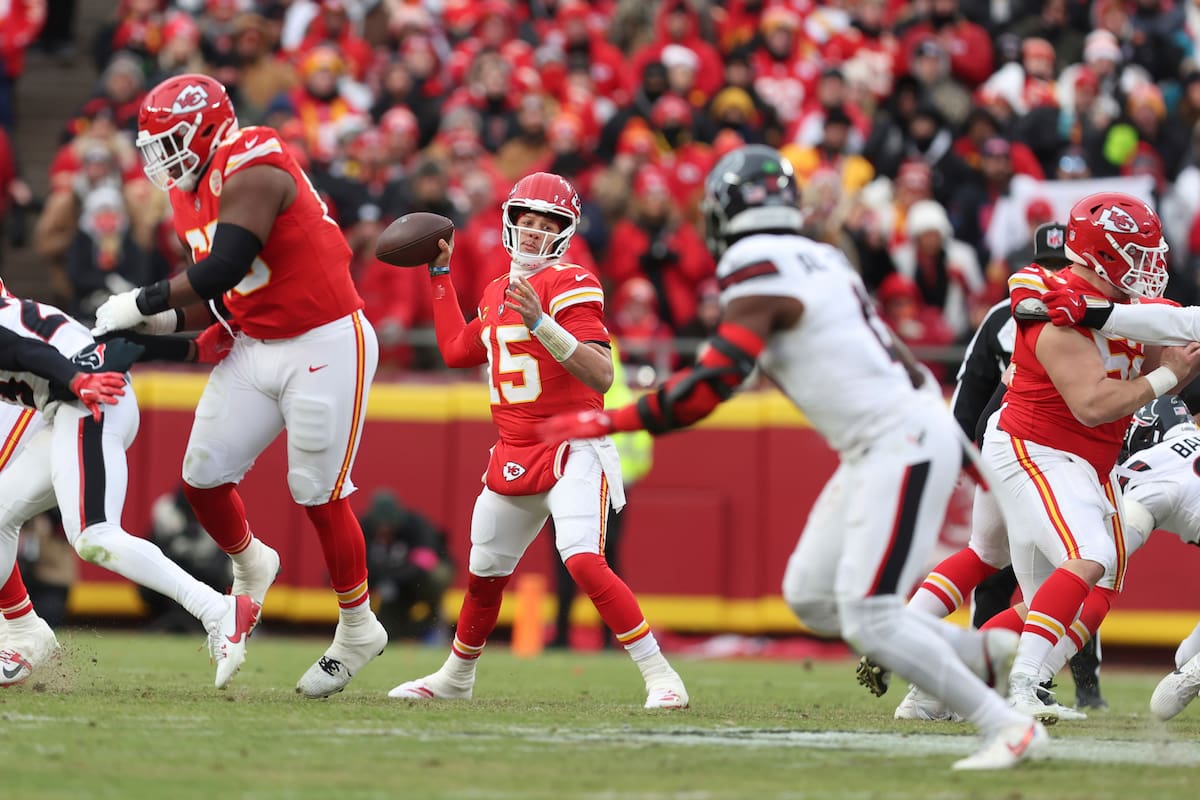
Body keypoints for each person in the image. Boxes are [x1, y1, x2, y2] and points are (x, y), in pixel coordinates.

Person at [541, 146, 1045, 770]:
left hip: (899, 442)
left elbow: (712, 382)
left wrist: (609, 418)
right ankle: (983, 656)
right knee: (809, 596)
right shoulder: (821, 256)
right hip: (888, 440)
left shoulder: (758, 264)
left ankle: (1006, 726)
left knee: (871, 618)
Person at [91, 73, 386, 699]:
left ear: (206, 127)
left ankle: (358, 626)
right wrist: (151, 324)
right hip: (257, 341)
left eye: (170, 140)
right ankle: (253, 561)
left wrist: (138, 300)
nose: (160, 156)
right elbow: (220, 299)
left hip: (325, 338)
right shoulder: (186, 194)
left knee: (316, 493)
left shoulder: (251, 156)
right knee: (202, 476)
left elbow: (223, 265)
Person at [388, 172, 688, 709]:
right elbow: (458, 351)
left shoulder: (574, 282)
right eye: (524, 220)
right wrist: (438, 274)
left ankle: (662, 676)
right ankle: (457, 678)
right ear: (509, 222)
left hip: (573, 445)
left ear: (564, 231)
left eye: (545, 223)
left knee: (582, 560)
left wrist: (542, 323)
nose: (531, 232)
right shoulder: (494, 290)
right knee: (484, 573)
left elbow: (601, 374)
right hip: (513, 448)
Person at [860, 222, 1104, 716]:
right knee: (1078, 572)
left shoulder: (1029, 306)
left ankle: (909, 648)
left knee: (984, 555)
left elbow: (980, 382)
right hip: (1038, 448)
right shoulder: (1079, 313)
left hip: (1002, 435)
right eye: (1053, 268)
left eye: (1065, 266)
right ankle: (1000, 682)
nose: (1060, 276)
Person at [979, 192, 1200, 722]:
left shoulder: (1093, 304)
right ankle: (1024, 686)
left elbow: (1163, 322)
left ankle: (936, 685)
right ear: (1105, 255)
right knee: (1092, 551)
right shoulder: (1051, 309)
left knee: (1047, 602)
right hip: (1036, 448)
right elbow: (1093, 405)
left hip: (1080, 461)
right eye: (1141, 254)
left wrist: (1101, 311)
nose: (1154, 267)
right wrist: (1169, 377)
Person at [0, 281, 255, 688]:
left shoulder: (12, 325)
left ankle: (219, 609)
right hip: (80, 401)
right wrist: (190, 351)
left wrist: (77, 380)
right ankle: (24, 631)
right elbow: (111, 341)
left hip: (88, 402)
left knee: (93, 535)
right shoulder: (21, 312)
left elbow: (20, 351)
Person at [551, 342, 654, 650]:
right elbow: (642, 456)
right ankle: (614, 637)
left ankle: (561, 635)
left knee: (566, 559)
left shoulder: (573, 396)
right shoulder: (626, 401)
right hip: (614, 493)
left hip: (568, 488)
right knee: (606, 561)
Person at [360, 489, 453, 641]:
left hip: (419, 583)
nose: (385, 530)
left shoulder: (417, 525)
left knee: (437, 575)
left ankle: (435, 622)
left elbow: (425, 562)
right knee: (386, 631)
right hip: (389, 589)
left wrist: (393, 578)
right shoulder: (363, 529)